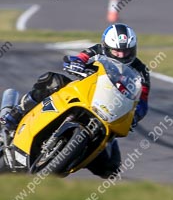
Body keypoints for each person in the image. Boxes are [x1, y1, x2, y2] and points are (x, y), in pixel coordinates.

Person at [0, 23, 151, 178]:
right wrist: (76, 64)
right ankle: (16, 113)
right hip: (85, 94)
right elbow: (80, 58)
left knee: (111, 168)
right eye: (116, 50)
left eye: (126, 50)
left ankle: (69, 164)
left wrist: (134, 116)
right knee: (52, 81)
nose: (121, 55)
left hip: (109, 112)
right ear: (106, 47)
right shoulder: (97, 50)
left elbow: (143, 102)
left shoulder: (141, 72)